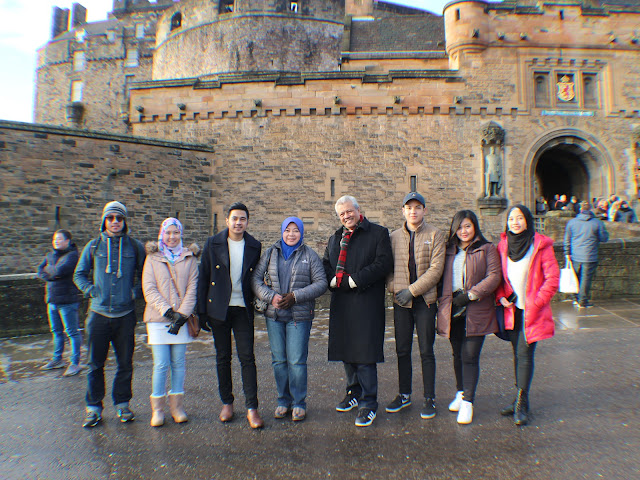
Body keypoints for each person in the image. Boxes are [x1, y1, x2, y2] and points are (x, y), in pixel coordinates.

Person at [74, 201, 146, 428]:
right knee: (95, 364)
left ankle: (122, 404)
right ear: (104, 220)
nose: (115, 222)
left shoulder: (134, 247)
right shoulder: (93, 246)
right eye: (111, 218)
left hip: (125, 315)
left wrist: (133, 293)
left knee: (125, 363)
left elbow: (146, 277)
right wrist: (91, 290)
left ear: (125, 222)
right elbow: (79, 274)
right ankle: (94, 408)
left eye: (119, 218)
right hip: (98, 314)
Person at [323, 195, 393, 427]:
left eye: (349, 211)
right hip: (342, 301)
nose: (346, 216)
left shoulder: (378, 233)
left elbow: (383, 263)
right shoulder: (335, 238)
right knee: (347, 351)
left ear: (358, 210)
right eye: (341, 214)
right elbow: (326, 263)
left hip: (366, 301)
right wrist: (332, 279)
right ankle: (353, 393)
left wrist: (355, 280)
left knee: (364, 355)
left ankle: (369, 403)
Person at [252, 217, 327, 422]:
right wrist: (270, 297)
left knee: (296, 361)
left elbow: (321, 283)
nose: (291, 234)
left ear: (301, 233)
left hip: (299, 317)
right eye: (288, 230)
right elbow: (256, 280)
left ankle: (299, 403)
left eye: (295, 230)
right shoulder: (270, 253)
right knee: (279, 361)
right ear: (282, 232)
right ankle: (283, 400)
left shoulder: (309, 254)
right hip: (274, 315)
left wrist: (295, 297)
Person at [197, 202, 264, 428]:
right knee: (223, 357)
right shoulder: (213, 243)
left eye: (242, 219)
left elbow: (256, 278)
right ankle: (227, 403)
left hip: (242, 308)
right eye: (234, 218)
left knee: (247, 358)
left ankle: (252, 408)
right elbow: (203, 278)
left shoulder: (254, 245)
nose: (238, 222)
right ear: (227, 220)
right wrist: (201, 311)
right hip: (219, 309)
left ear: (247, 221)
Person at [496, 205, 559, 426]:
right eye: (511, 218)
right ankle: (520, 399)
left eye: (519, 218)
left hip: (532, 312)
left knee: (524, 354)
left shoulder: (540, 245)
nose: (515, 222)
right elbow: (500, 278)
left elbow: (552, 278)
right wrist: (502, 296)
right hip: (512, 311)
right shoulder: (503, 246)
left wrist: (537, 302)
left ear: (527, 221)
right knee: (517, 354)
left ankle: (522, 403)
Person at [436, 211, 501, 424]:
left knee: (470, 355)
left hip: (476, 307)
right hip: (452, 306)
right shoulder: (448, 250)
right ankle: (461, 392)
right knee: (457, 354)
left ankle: (468, 402)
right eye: (460, 227)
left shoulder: (487, 248)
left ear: (475, 227)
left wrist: (471, 294)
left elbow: (494, 276)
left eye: (468, 227)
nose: (463, 231)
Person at [385, 192, 445, 419]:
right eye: (409, 207)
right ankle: (404, 394)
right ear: (402, 211)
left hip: (424, 302)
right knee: (402, 350)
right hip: (401, 301)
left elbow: (436, 270)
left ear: (424, 210)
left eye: (418, 207)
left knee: (426, 351)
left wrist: (412, 291)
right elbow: (388, 266)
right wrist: (394, 287)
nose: (413, 211)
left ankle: (429, 398)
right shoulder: (393, 237)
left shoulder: (435, 234)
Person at [142, 218, 200, 427]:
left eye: (176, 233)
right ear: (162, 234)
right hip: (158, 320)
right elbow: (149, 288)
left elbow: (193, 288)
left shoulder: (189, 258)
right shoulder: (153, 258)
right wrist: (168, 312)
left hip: (182, 320)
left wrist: (181, 315)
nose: (172, 237)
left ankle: (177, 407)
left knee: (178, 364)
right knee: (161, 364)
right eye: (168, 233)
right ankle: (157, 410)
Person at [37, 229, 83, 377]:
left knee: (72, 332)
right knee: (56, 332)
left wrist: (49, 272)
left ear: (68, 241)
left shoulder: (73, 255)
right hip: (52, 300)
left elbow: (59, 270)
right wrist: (49, 273)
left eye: (59, 239)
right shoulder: (50, 254)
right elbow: (40, 270)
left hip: (67, 301)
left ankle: (75, 363)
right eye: (54, 239)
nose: (56, 241)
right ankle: (58, 360)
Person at [564, 201, 609, 308]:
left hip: (575, 255)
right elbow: (604, 238)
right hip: (590, 255)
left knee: (576, 278)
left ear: (580, 209)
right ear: (591, 209)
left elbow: (567, 239)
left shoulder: (572, 222)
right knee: (586, 278)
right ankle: (583, 300)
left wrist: (567, 252)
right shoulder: (597, 223)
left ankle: (576, 299)